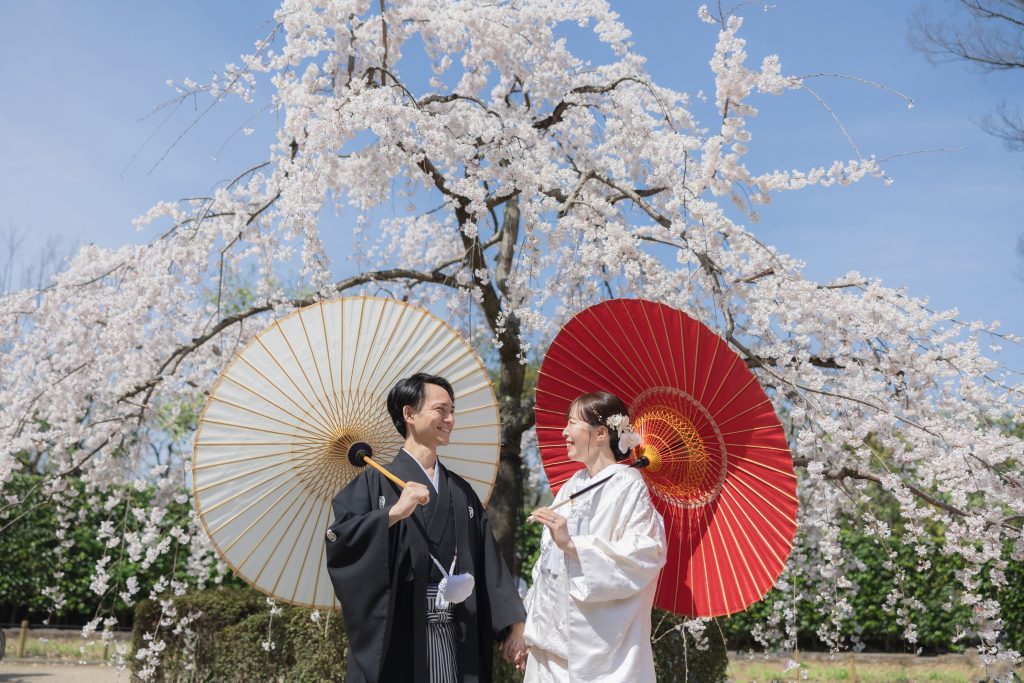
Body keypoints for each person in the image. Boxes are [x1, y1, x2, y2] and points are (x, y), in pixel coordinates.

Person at [325, 373, 526, 683]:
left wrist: (514, 624)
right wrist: (391, 514)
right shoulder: (372, 484)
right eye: (440, 410)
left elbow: (489, 561)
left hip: (456, 633)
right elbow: (342, 543)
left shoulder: (460, 492)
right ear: (409, 414)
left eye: (452, 411)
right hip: (401, 633)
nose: (450, 419)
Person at [518, 391, 667, 682]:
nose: (564, 432)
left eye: (572, 423)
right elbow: (547, 567)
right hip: (549, 643)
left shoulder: (628, 486)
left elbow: (645, 554)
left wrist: (573, 545)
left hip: (597, 652)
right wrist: (531, 629)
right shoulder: (573, 485)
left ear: (600, 433)